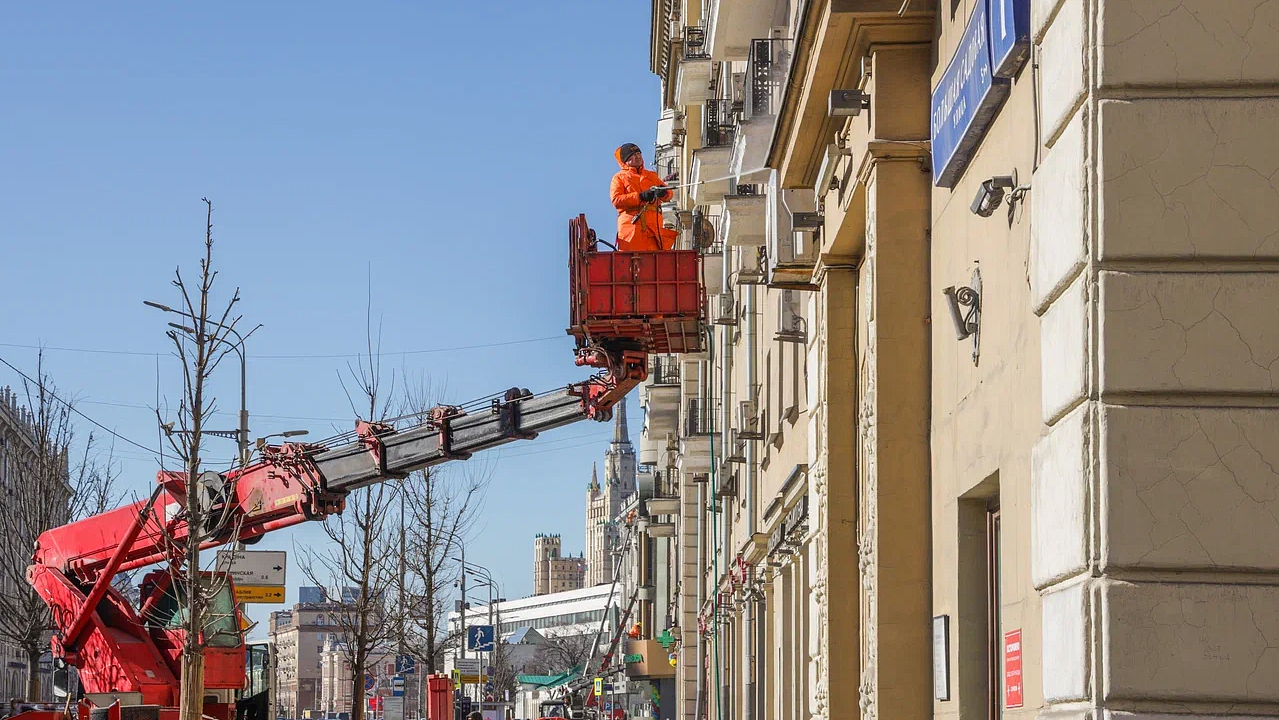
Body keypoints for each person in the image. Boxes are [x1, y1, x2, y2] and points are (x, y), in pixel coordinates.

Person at [610, 143, 676, 252]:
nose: (638, 156)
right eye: (633, 154)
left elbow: (668, 193)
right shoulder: (619, 178)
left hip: (654, 231)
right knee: (631, 261)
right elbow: (616, 200)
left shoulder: (651, 175)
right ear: (626, 160)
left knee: (656, 262)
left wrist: (663, 193)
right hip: (632, 230)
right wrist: (640, 197)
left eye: (639, 153)